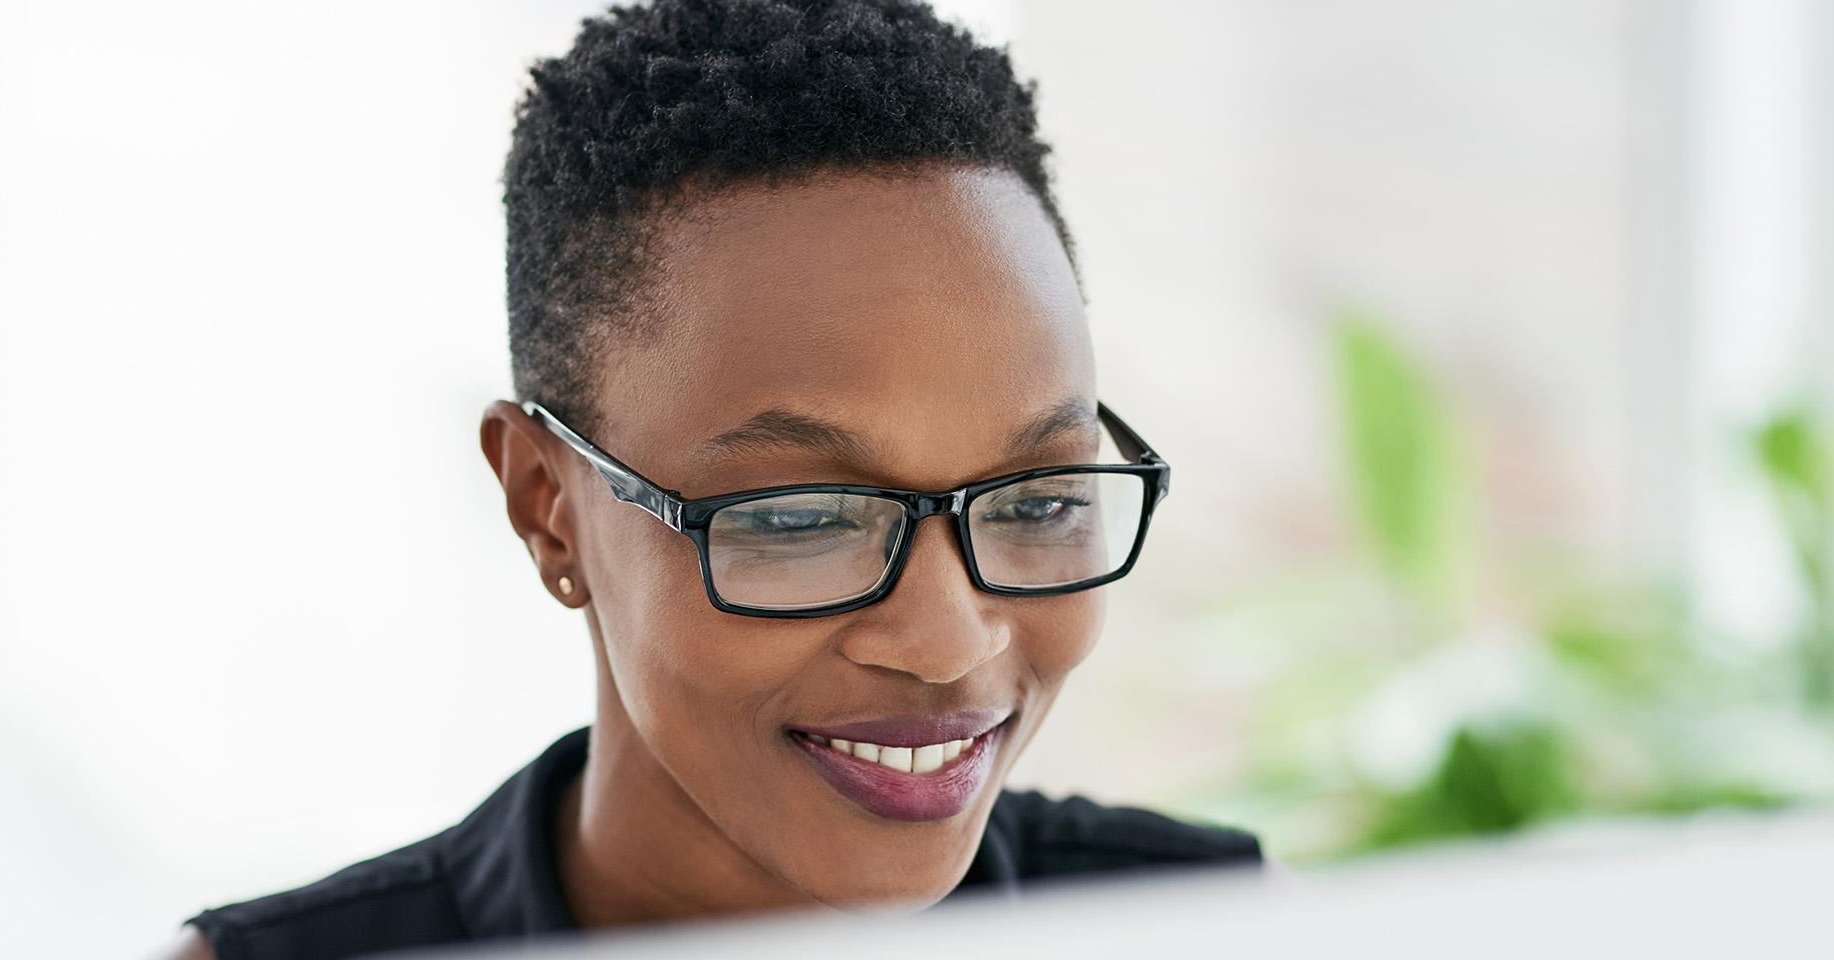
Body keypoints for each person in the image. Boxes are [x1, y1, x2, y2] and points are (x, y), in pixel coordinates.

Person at [154, 1, 1261, 957]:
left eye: (1037, 501)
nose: (947, 641)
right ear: (546, 506)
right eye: (799, 516)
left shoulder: (1236, 935)